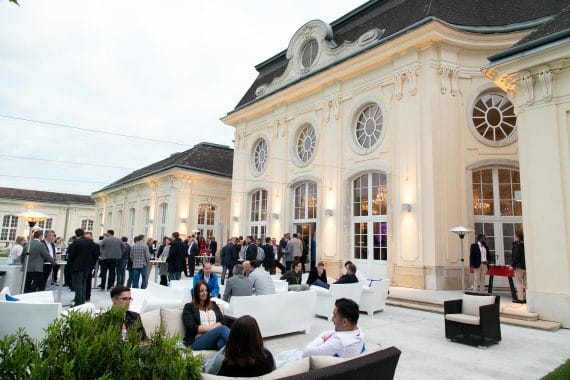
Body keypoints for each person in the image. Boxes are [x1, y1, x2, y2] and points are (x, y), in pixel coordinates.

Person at [204, 315, 275, 377]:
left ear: (232, 336)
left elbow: (206, 370)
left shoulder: (221, 364)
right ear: (257, 335)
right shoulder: (269, 360)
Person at [182, 280, 230, 350]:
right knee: (222, 329)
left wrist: (210, 329)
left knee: (221, 344)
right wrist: (216, 327)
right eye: (201, 291)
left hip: (214, 339)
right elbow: (191, 328)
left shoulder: (213, 305)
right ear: (196, 293)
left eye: (206, 290)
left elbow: (224, 322)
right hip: (197, 340)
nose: (204, 293)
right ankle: (244, 349)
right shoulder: (189, 307)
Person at [66, 228, 98, 305]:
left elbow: (71, 255)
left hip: (77, 266)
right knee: (84, 283)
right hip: (87, 267)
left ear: (76, 234)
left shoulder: (76, 243)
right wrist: (91, 264)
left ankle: (78, 302)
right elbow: (95, 255)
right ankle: (82, 300)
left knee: (78, 284)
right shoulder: (91, 242)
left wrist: (70, 263)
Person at [511, 231, 526, 303]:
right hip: (526, 266)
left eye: (515, 236)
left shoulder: (517, 245)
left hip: (519, 267)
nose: (514, 237)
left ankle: (520, 298)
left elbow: (516, 256)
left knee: (519, 282)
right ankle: (527, 298)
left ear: (517, 237)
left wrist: (513, 265)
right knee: (526, 283)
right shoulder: (526, 244)